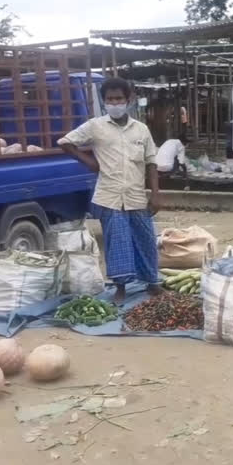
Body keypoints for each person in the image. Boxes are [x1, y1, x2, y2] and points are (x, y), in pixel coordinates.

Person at [58, 77, 162, 305]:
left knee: (145, 239)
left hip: (136, 196)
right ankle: (120, 288)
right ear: (104, 102)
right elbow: (65, 142)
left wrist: (155, 194)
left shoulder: (141, 129)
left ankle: (152, 282)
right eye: (110, 100)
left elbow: (151, 162)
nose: (114, 103)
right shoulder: (95, 126)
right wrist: (88, 161)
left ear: (129, 100)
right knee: (118, 242)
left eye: (119, 99)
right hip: (109, 196)